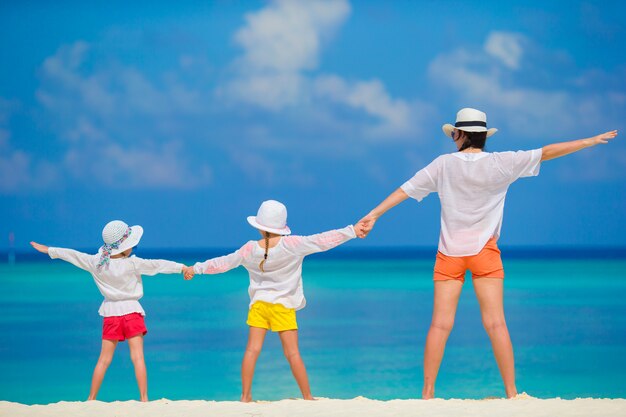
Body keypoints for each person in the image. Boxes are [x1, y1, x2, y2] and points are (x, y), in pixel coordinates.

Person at [356, 107, 618, 399]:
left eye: (454, 133)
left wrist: (374, 214)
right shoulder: (501, 163)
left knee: (440, 325)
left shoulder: (443, 164)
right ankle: (511, 392)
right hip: (485, 251)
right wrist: (588, 141)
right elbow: (546, 152)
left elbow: (404, 190)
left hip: (449, 253)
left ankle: (427, 394)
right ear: (482, 136)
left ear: (462, 135)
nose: (452, 137)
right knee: (496, 323)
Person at [183, 200, 359, 402]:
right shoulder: (292, 245)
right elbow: (322, 240)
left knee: (252, 350)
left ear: (259, 226)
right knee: (292, 353)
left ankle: (245, 396)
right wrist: (352, 231)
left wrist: (195, 268)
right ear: (281, 226)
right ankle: (307, 397)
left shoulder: (249, 249)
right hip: (283, 307)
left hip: (259, 306)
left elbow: (223, 263)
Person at [30, 220, 188, 402]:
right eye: (132, 245)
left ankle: (91, 398)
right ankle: (144, 399)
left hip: (111, 313)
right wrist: (182, 268)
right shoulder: (132, 263)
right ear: (123, 247)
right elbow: (157, 265)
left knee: (103, 360)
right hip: (132, 312)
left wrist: (50, 250)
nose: (134, 247)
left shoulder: (96, 263)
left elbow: (72, 255)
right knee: (137, 357)